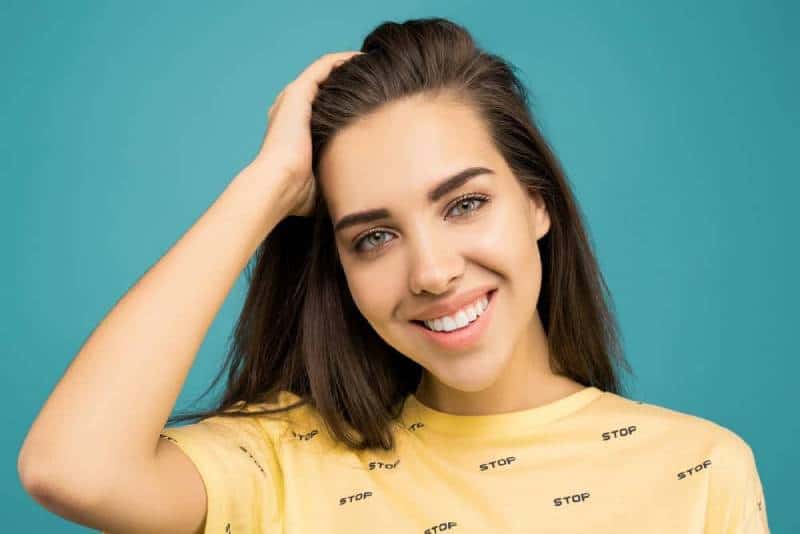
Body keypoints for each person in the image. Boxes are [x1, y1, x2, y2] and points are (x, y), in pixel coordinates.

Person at [18, 17, 769, 533]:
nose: (435, 272)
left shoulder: (698, 471)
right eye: (374, 236)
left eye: (465, 203)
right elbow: (69, 469)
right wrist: (266, 186)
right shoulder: (280, 461)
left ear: (537, 203)